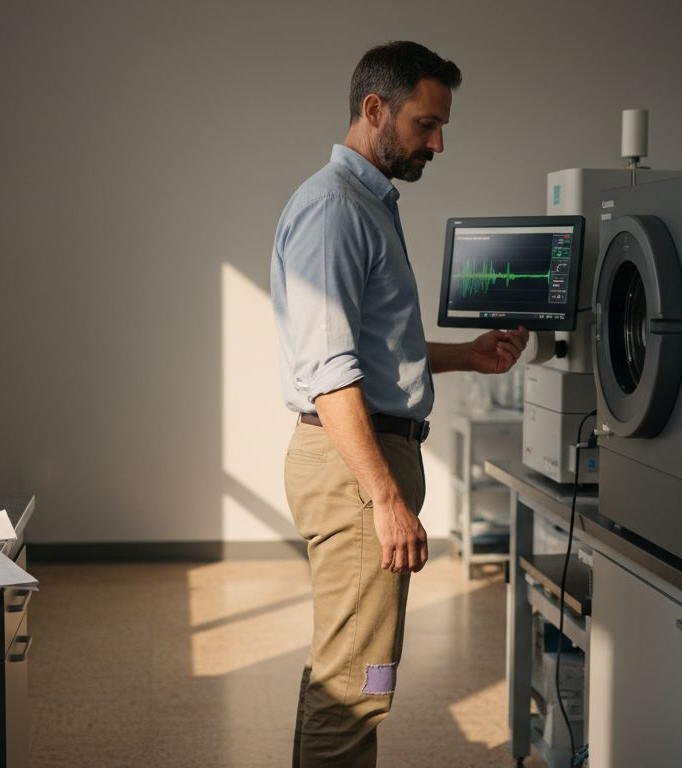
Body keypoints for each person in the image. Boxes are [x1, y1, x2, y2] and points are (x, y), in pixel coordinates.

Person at [269, 40, 529, 767]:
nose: (438, 143)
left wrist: (464, 356)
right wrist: (383, 497)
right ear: (374, 109)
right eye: (425, 124)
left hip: (366, 451)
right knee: (358, 685)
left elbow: (374, 347)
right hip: (358, 461)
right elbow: (331, 372)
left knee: (344, 669)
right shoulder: (335, 210)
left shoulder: (365, 203)